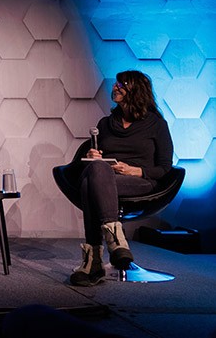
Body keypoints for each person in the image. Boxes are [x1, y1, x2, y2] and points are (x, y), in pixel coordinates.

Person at [67, 70, 173, 287]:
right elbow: (88, 160)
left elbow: (165, 167)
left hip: (141, 182)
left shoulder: (156, 124)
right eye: (116, 84)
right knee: (96, 172)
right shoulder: (105, 124)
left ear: (136, 91)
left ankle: (93, 262)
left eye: (121, 85)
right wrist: (91, 156)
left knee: (90, 185)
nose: (115, 87)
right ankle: (117, 244)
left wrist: (138, 171)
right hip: (106, 178)